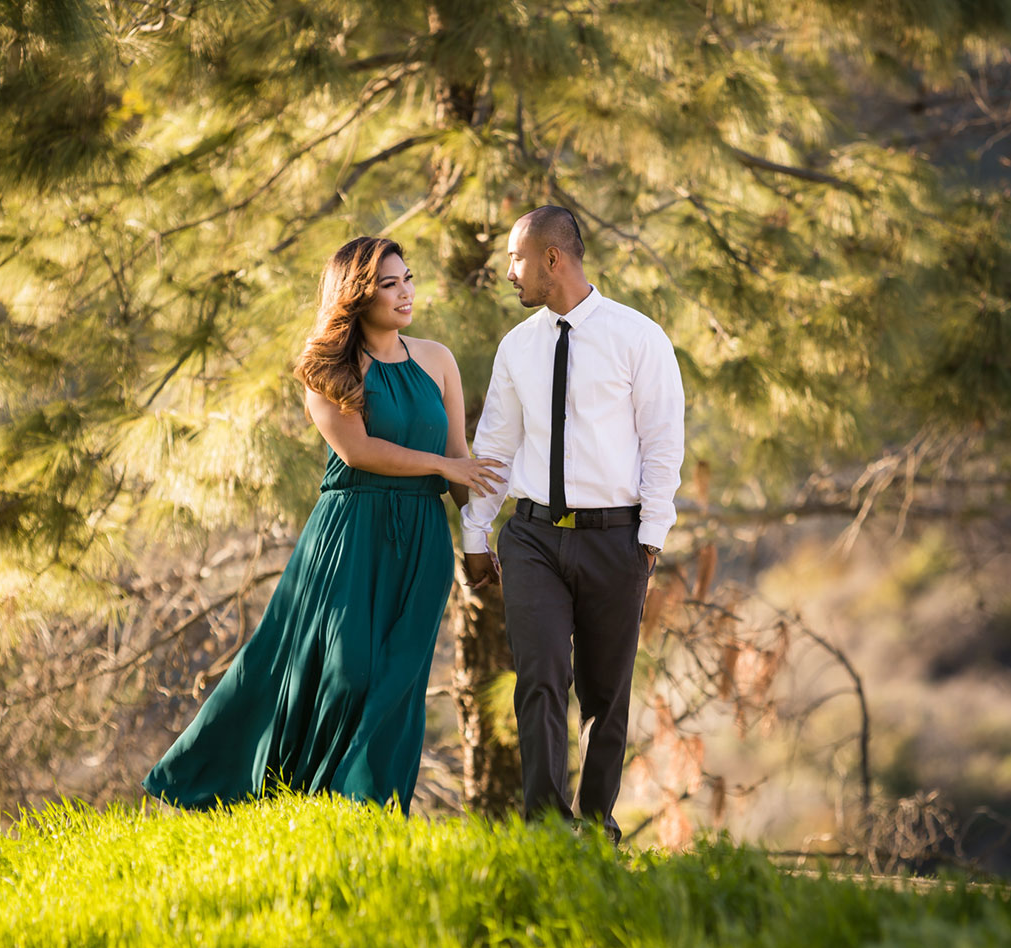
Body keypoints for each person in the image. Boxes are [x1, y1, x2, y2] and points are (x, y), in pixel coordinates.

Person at [145, 236, 506, 814]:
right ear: (357, 295)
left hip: (422, 540)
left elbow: (460, 454)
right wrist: (443, 464)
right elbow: (360, 450)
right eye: (389, 284)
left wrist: (478, 540)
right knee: (349, 670)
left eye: (407, 278)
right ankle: (259, 788)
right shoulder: (327, 368)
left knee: (399, 680)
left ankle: (368, 810)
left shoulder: (437, 359)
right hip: (350, 534)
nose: (405, 292)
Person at [461, 206, 684, 844]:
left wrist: (648, 538)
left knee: (605, 693)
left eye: (516, 258)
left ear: (552, 259)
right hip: (531, 538)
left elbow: (663, 443)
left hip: (616, 537)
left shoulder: (639, 338)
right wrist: (476, 534)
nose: (509, 272)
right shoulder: (517, 347)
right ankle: (546, 826)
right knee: (540, 676)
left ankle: (596, 824)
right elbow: (496, 450)